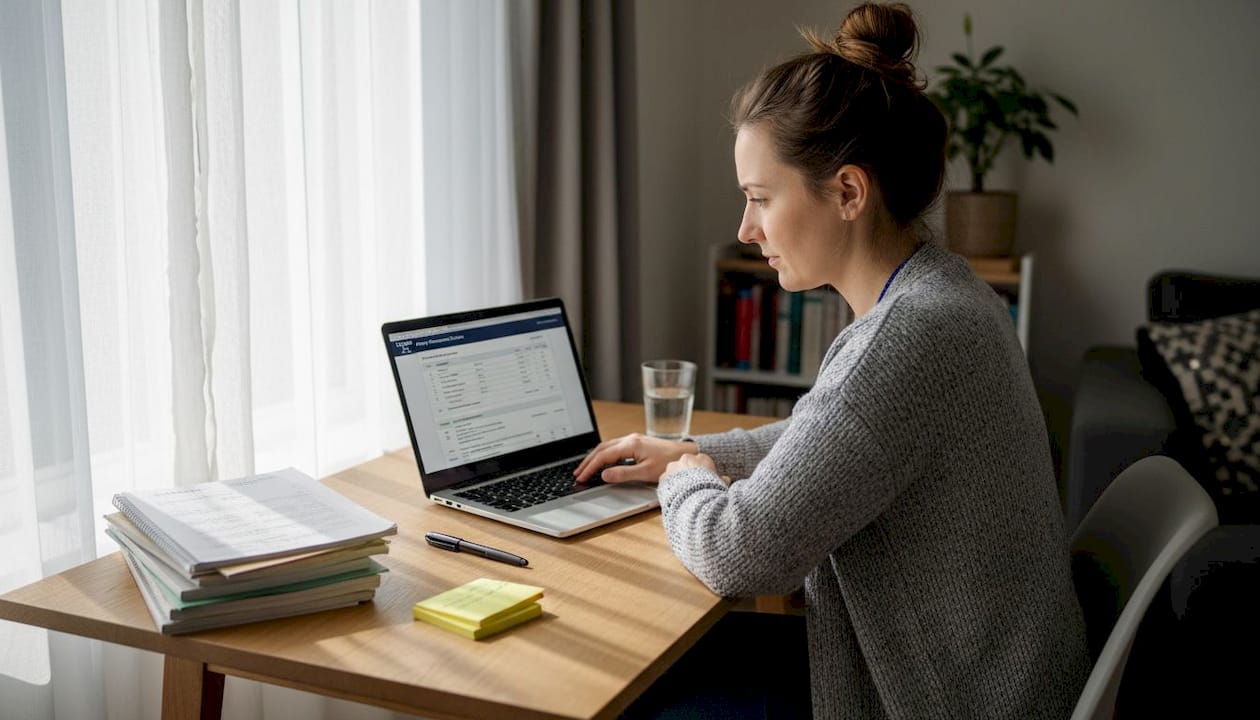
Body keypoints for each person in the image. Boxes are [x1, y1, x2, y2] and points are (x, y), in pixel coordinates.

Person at [574, 2, 1091, 718]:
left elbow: (736, 553)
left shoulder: (906, 340)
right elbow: (825, 436)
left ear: (847, 191)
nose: (745, 229)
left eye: (760, 197)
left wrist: (688, 481)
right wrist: (694, 450)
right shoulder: (943, 290)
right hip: (991, 683)